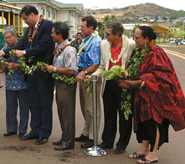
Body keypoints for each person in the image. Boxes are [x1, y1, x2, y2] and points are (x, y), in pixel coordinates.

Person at [118, 26, 185, 164]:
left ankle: (153, 153)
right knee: (142, 121)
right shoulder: (138, 52)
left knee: (154, 123)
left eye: (137, 38)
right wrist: (127, 73)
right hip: (142, 94)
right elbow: (134, 68)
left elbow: (162, 75)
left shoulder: (157, 52)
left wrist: (139, 81)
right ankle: (144, 149)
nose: (134, 40)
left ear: (147, 39)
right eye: (134, 37)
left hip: (156, 95)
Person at [2, 5, 54, 145]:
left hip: (43, 71)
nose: (25, 22)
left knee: (44, 103)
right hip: (31, 72)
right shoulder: (28, 30)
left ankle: (44, 133)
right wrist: (5, 52)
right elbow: (22, 44)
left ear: (32, 14)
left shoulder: (47, 26)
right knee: (33, 103)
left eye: (26, 18)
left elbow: (44, 46)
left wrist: (25, 53)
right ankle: (35, 130)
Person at [93, 22, 135, 154]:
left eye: (108, 34)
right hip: (109, 83)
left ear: (118, 35)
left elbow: (134, 64)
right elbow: (102, 66)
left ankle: (122, 144)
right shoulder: (104, 44)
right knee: (109, 114)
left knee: (124, 117)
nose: (106, 37)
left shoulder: (131, 45)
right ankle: (107, 141)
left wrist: (128, 71)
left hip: (124, 84)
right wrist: (94, 76)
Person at [47, 22, 77, 150]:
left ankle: (69, 141)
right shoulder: (59, 47)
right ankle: (65, 137)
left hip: (67, 85)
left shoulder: (69, 49)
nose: (51, 34)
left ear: (59, 34)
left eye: (53, 32)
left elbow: (71, 70)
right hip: (59, 84)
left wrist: (54, 69)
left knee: (67, 114)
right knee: (61, 112)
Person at [74, 16, 102, 149]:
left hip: (90, 77)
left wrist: (84, 72)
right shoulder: (86, 39)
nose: (81, 29)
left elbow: (96, 63)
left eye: (83, 27)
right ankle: (86, 132)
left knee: (92, 108)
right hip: (83, 76)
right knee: (85, 106)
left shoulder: (96, 42)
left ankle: (93, 137)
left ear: (91, 28)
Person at [1, 27, 29, 137]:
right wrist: (2, 66)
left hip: (23, 83)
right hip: (10, 83)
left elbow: (28, 66)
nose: (7, 40)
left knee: (24, 108)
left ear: (15, 36)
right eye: (5, 38)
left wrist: (16, 65)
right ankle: (11, 129)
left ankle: (23, 130)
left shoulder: (23, 50)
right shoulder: (4, 49)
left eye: (9, 37)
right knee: (10, 108)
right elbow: (0, 64)